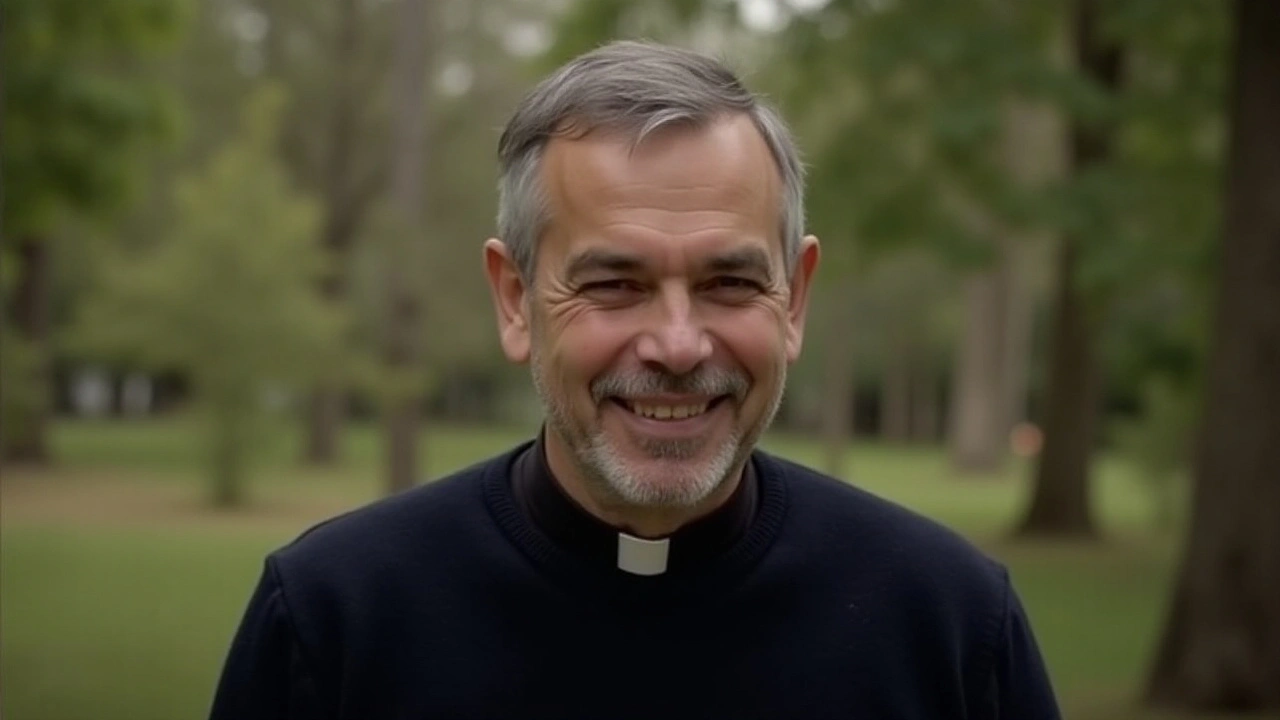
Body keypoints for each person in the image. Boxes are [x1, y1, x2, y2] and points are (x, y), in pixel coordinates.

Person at [208, 40, 1062, 719]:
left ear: (794, 297)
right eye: (614, 284)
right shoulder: (337, 617)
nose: (680, 345)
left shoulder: (947, 624)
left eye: (730, 282)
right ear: (515, 300)